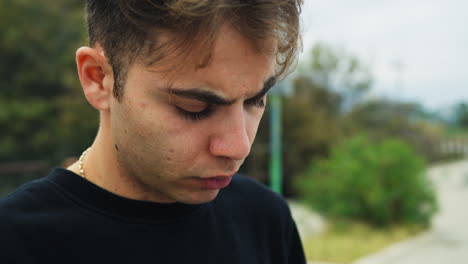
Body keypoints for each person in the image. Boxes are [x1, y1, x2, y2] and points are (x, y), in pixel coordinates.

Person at [0, 0, 305, 263]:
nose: (239, 146)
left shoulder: (265, 220)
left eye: (255, 100)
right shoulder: (16, 241)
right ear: (98, 79)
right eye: (194, 107)